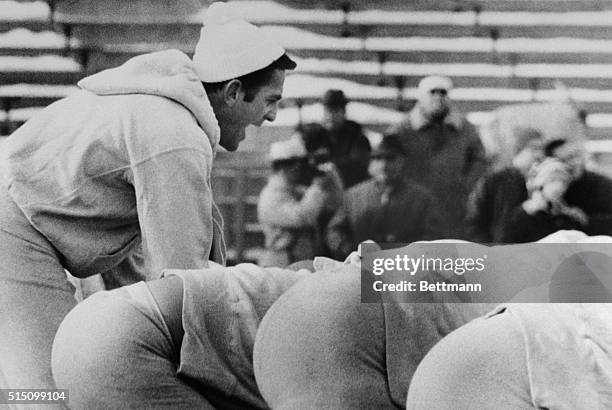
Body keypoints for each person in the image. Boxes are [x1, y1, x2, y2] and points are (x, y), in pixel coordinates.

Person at [0, 2, 296, 392]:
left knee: (78, 372)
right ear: (234, 92)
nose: (272, 116)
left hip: (29, 219)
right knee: (53, 388)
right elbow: (181, 282)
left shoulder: (167, 116)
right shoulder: (174, 136)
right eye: (270, 100)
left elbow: (141, 274)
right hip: (16, 220)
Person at [387, 75, 488, 239]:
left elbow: (480, 158)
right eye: (432, 92)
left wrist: (466, 184)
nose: (438, 97)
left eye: (443, 92)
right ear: (421, 97)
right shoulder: (402, 129)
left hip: (452, 202)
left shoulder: (464, 128)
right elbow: (387, 157)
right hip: (415, 201)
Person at [467, 137, 612, 244]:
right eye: (566, 159)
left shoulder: (599, 186)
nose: (575, 163)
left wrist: (585, 220)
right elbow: (502, 235)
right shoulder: (530, 199)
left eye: (577, 156)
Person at [330, 134, 447, 252]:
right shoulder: (353, 195)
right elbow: (334, 230)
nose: (383, 165)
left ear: (402, 161)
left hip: (407, 266)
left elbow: (435, 237)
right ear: (370, 162)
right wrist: (346, 248)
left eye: (390, 158)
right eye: (377, 158)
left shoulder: (422, 199)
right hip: (359, 265)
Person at [257, 135, 343, 267]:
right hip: (281, 262)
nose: (301, 170)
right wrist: (318, 187)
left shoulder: (297, 191)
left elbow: (334, 203)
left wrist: (330, 174)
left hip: (299, 259)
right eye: (298, 165)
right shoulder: (271, 196)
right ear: (283, 167)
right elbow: (302, 217)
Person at [321, 89, 372, 188]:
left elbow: (360, 165)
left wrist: (332, 169)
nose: (330, 116)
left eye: (335, 111)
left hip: (352, 190)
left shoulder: (357, 137)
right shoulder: (315, 137)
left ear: (343, 112)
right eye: (327, 111)